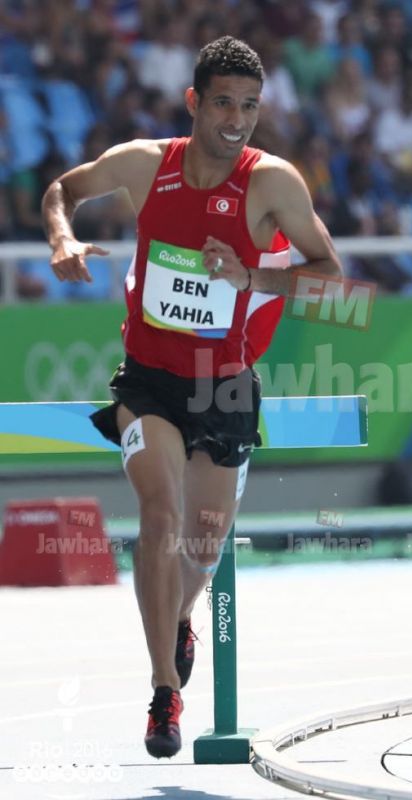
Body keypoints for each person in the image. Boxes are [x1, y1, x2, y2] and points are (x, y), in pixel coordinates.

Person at [42, 36, 343, 759]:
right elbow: (63, 191)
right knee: (160, 515)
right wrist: (61, 240)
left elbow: (332, 279)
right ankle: (163, 690)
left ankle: (178, 621)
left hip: (225, 383)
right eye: (223, 104)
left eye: (249, 106)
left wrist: (250, 277)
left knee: (202, 547)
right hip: (149, 381)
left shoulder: (272, 182)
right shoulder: (146, 164)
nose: (236, 120)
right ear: (193, 102)